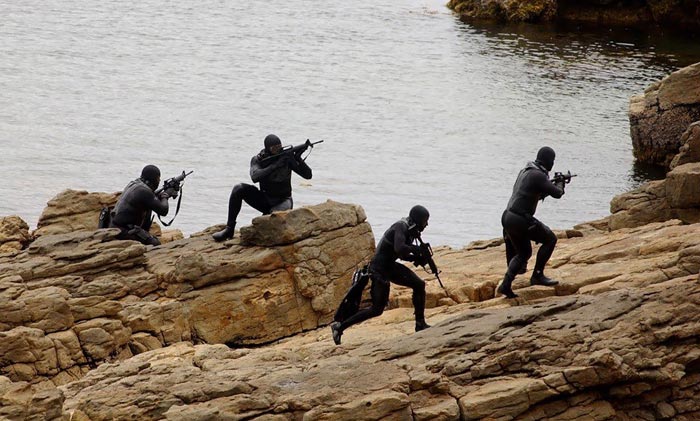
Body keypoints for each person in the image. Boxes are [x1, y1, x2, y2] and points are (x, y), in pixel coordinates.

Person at [330, 205, 431, 345]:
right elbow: (399, 248)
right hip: (379, 270)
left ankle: (420, 323)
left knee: (419, 285)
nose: (426, 225)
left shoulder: (410, 230)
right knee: (377, 309)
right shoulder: (400, 226)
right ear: (418, 220)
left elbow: (402, 255)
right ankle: (339, 326)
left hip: (390, 266)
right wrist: (417, 250)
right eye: (425, 221)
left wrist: (417, 258)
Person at [212, 134, 312, 241]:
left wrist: (298, 158)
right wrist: (275, 165)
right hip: (264, 199)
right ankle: (229, 229)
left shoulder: (286, 158)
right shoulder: (258, 159)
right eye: (274, 148)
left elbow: (308, 175)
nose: (277, 150)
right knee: (238, 188)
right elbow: (255, 177)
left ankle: (266, 219)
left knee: (272, 219)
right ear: (267, 149)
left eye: (279, 147)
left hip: (282, 201)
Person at [497, 146, 566, 299]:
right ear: (548, 160)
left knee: (524, 253)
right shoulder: (538, 175)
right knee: (550, 239)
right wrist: (561, 182)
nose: (553, 164)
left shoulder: (526, 171)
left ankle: (505, 285)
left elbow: (532, 193)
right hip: (520, 219)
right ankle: (537, 275)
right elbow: (557, 193)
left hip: (508, 217)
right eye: (552, 160)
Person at [110, 164, 176, 246]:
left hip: (115, 225)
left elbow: (150, 198)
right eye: (158, 179)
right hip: (123, 230)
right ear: (155, 179)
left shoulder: (134, 184)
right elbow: (163, 211)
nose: (159, 181)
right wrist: (165, 196)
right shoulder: (144, 191)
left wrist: (161, 196)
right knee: (155, 244)